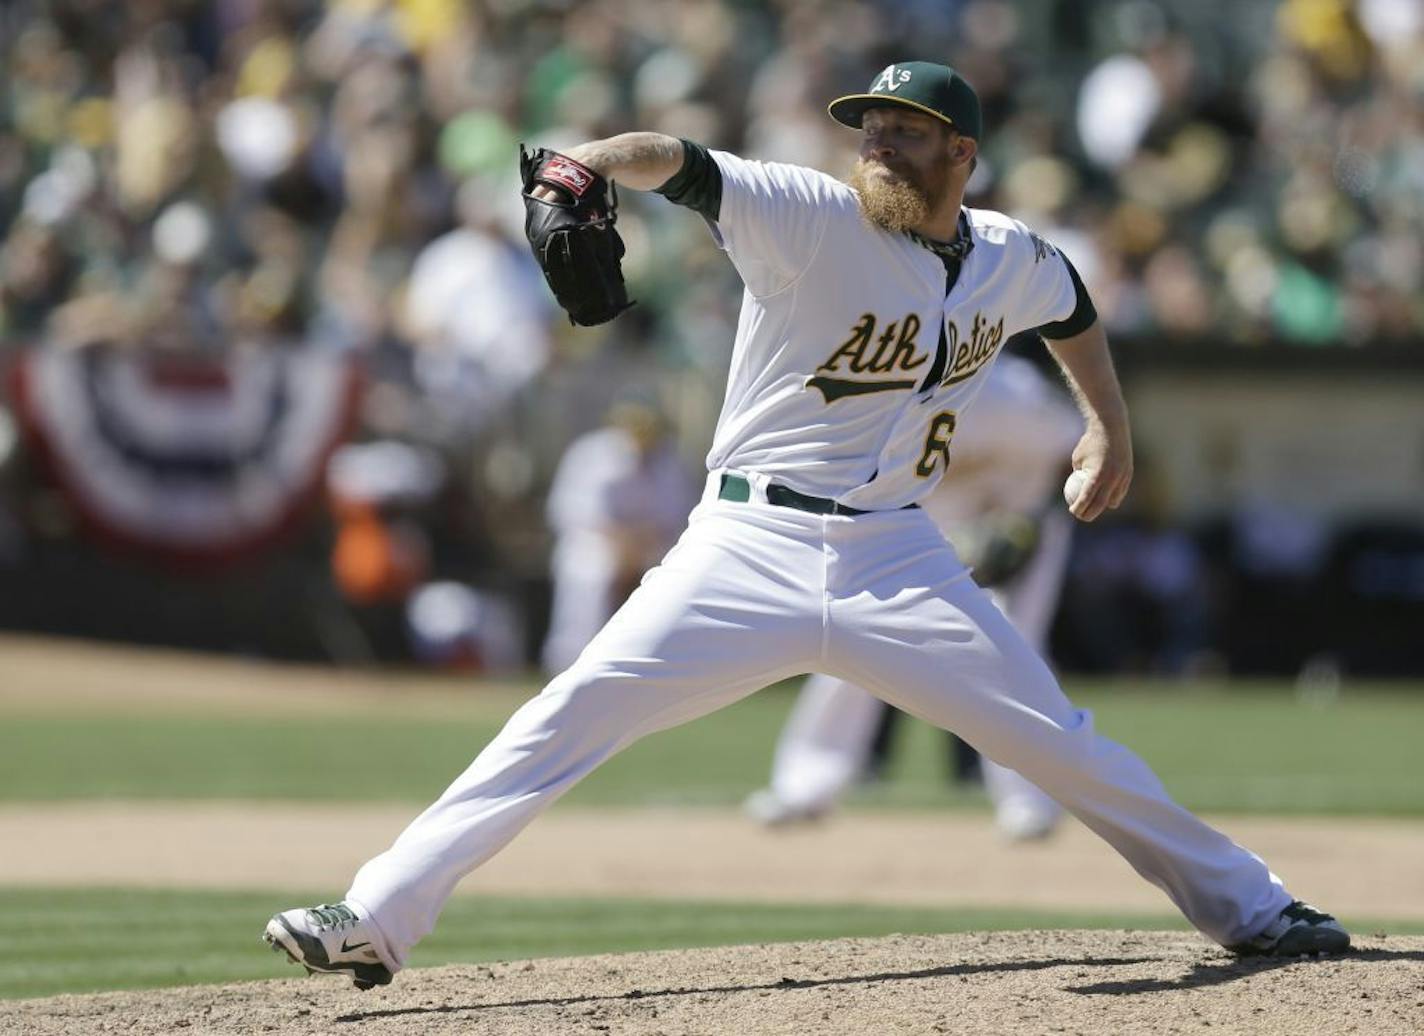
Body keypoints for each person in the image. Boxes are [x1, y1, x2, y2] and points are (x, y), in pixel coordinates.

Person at [264, 61, 1349, 989]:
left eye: (901, 131)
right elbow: (672, 158)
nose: (873, 143)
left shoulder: (1006, 253)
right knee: (567, 714)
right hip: (744, 546)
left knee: (1057, 742)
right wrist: (575, 162)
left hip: (897, 552)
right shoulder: (807, 213)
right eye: (866, 126)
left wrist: (1105, 426)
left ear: (959, 154)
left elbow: (1069, 305)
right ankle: (375, 914)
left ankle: (1253, 909)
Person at [744, 351, 1081, 840]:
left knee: (1010, 648)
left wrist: (1023, 521)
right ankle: (805, 785)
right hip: (925, 525)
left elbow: (1078, 450)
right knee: (852, 632)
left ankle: (1030, 802)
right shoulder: (882, 387)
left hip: (1019, 526)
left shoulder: (1010, 392)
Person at [541, 400, 700, 675]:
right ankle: (570, 660)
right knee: (589, 571)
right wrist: (621, 544)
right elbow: (572, 512)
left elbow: (678, 517)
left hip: (651, 544)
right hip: (594, 541)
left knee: (682, 571)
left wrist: (638, 544)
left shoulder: (669, 460)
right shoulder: (591, 453)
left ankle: (663, 661)